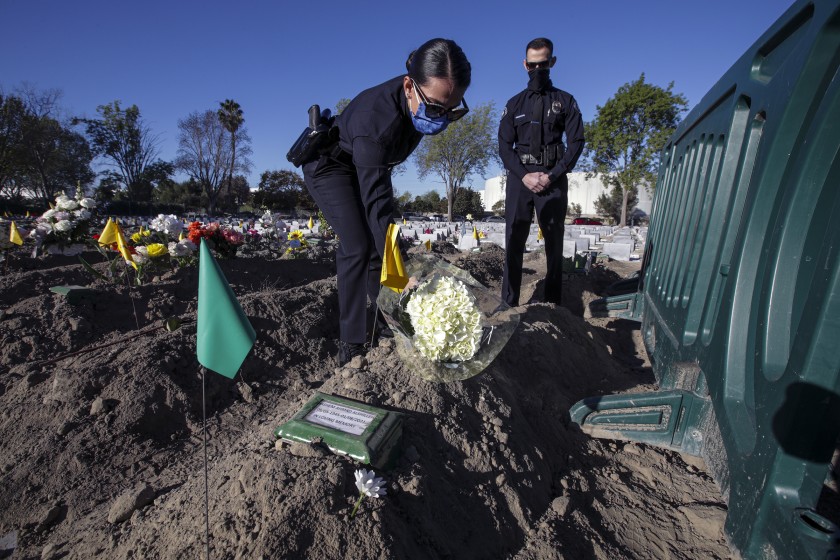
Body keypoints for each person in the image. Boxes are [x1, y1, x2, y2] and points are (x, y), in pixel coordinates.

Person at [302, 38, 472, 365]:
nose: (442, 118)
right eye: (436, 108)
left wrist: (395, 264)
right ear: (409, 86)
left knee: (376, 250)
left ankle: (388, 318)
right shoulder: (375, 124)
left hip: (364, 163)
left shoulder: (420, 98)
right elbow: (378, 207)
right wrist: (401, 273)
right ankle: (351, 345)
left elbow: (380, 196)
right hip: (331, 167)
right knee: (357, 246)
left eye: (453, 110)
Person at [498, 37, 584, 307]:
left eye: (543, 64)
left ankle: (553, 302)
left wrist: (553, 174)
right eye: (533, 65)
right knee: (514, 238)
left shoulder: (565, 101)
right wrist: (524, 175)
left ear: (552, 62)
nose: (538, 69)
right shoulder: (514, 104)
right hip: (520, 178)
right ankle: (508, 302)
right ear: (525, 64)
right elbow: (503, 145)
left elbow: (577, 142)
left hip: (552, 179)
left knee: (554, 240)